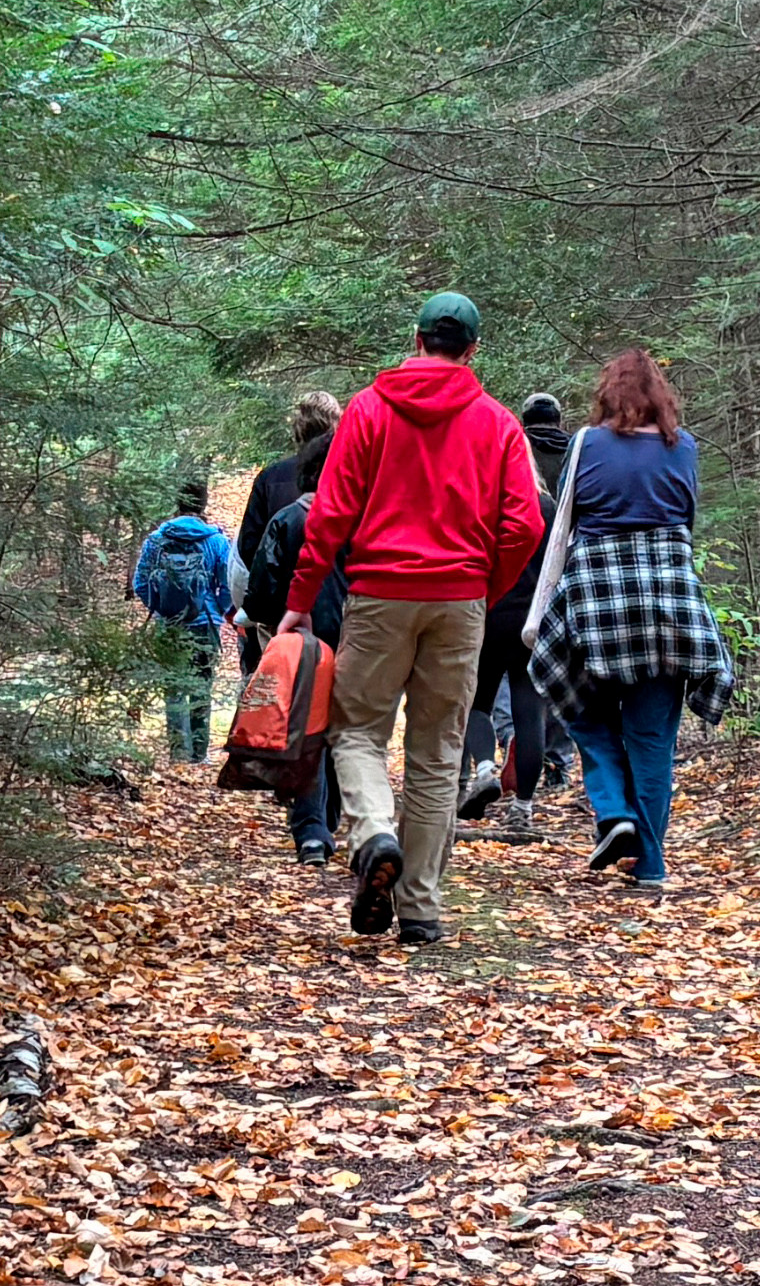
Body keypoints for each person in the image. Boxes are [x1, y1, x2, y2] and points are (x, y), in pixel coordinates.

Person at [284, 292, 545, 945]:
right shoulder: (497, 424)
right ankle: (420, 908)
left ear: (418, 338)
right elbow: (525, 524)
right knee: (438, 755)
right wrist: (484, 590)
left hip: (378, 596)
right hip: (459, 601)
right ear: (472, 350)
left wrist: (299, 600)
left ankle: (373, 833)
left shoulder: (370, 412)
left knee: (355, 730)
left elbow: (330, 513)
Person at [525, 347, 733, 892]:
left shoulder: (585, 444)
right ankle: (651, 867)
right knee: (652, 742)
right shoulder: (682, 447)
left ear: (607, 396)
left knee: (584, 714)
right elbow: (687, 521)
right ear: (663, 398)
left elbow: (566, 520)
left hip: (597, 606)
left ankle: (614, 812)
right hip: (669, 605)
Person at [460, 390, 574, 839]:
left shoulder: (485, 505)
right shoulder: (548, 510)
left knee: (475, 702)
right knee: (531, 713)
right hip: (534, 625)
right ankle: (523, 808)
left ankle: (485, 768)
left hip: (488, 617)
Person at [240, 469, 348, 863]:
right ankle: (330, 816)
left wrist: (270, 620)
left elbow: (260, 590)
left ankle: (312, 830)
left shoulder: (287, 518)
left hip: (303, 637)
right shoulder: (362, 518)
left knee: (307, 728)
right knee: (343, 728)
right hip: (357, 634)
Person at [232, 391, 341, 679]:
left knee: (285, 696)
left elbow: (249, 548)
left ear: (297, 428)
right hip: (342, 612)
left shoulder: (272, 478)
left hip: (282, 614)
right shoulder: (351, 476)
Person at [127, 484, 236, 765]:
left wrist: (162, 607)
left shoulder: (157, 539)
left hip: (169, 626)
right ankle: (199, 755)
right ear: (204, 504)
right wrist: (217, 610)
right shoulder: (216, 541)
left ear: (178, 502)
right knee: (201, 687)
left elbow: (140, 582)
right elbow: (227, 586)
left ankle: (178, 753)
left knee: (174, 689)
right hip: (205, 624)